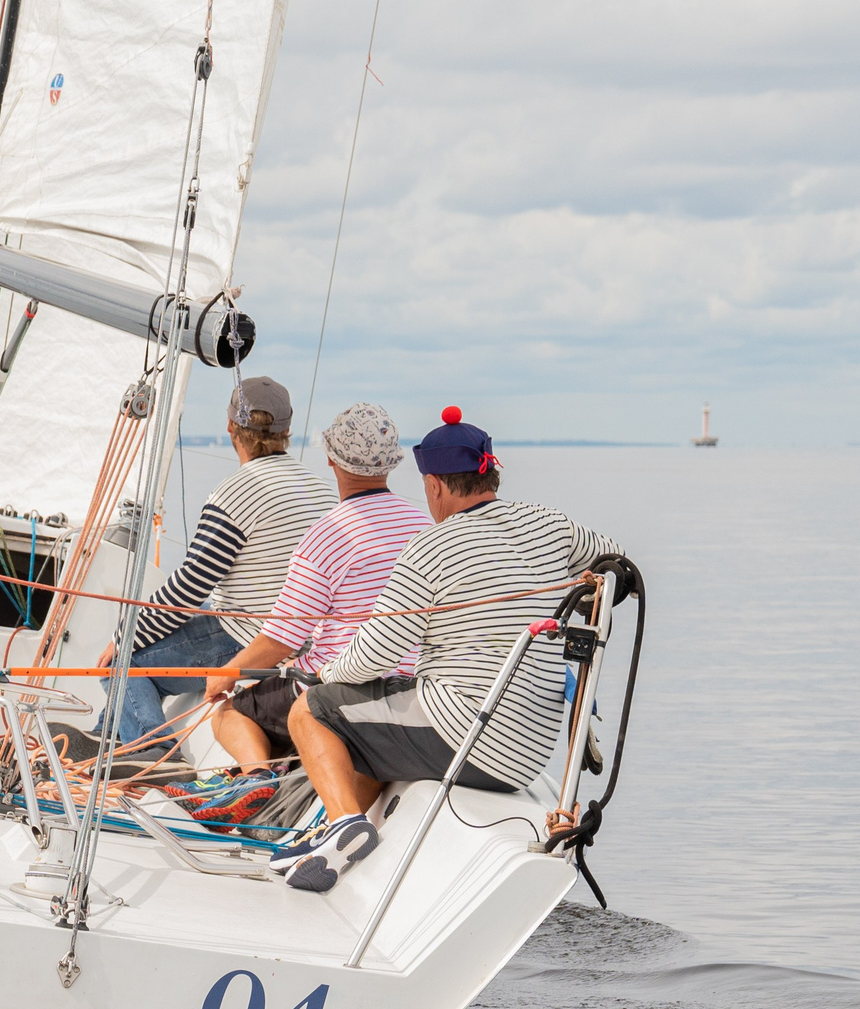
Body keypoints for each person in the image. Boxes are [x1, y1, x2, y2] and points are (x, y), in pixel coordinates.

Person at [273, 406, 622, 894]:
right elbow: (613, 559)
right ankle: (333, 832)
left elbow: (374, 652)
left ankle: (346, 825)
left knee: (311, 712)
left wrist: (324, 673)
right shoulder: (551, 525)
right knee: (368, 720)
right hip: (529, 753)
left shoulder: (430, 548)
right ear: (491, 473)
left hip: (468, 738)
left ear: (434, 485)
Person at [101, 377, 332, 745]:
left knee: (119, 665)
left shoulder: (235, 494)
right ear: (286, 431)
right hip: (305, 636)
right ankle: (106, 734)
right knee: (182, 618)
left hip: (248, 636)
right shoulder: (321, 489)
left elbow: (190, 587)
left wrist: (124, 637)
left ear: (230, 427)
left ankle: (151, 749)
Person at [202, 403, 427, 770]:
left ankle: (254, 778)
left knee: (230, 712)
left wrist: (226, 675)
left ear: (331, 461)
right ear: (391, 462)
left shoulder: (327, 535)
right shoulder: (422, 524)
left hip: (336, 686)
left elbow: (282, 639)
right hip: (411, 684)